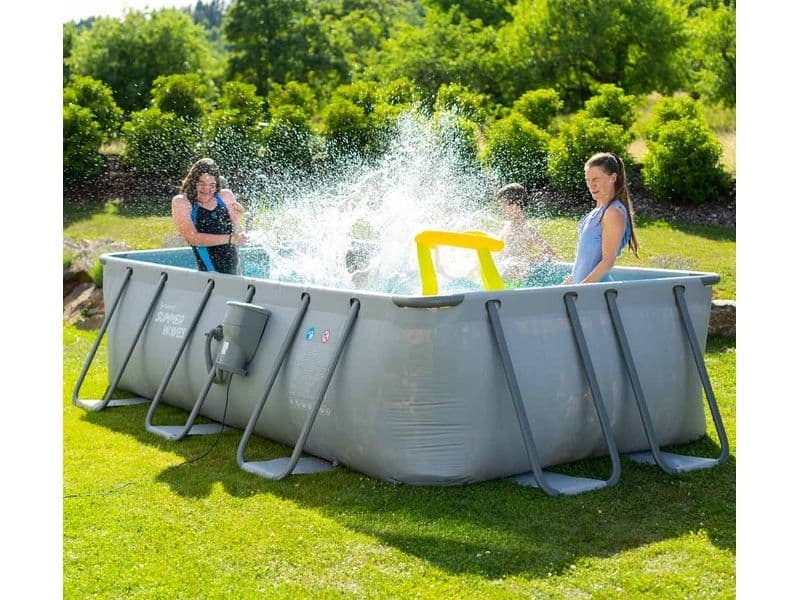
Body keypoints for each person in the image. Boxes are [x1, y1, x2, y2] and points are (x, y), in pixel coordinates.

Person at [563, 152, 639, 284]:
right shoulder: (594, 214)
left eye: (596, 179)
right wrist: (559, 290)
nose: (591, 185)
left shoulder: (613, 213)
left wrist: (579, 290)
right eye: (588, 180)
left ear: (612, 178)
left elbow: (607, 262)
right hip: (584, 291)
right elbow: (580, 268)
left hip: (595, 293)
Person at [172, 158, 248, 275]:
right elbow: (193, 239)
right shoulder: (182, 202)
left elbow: (238, 235)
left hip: (237, 274)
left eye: (212, 185)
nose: (207, 189)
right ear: (192, 182)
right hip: (209, 276)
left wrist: (237, 219)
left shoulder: (225, 196)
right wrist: (231, 239)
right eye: (201, 183)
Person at [495, 183, 557, 286]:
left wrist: (526, 262)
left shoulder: (526, 229)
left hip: (515, 279)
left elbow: (550, 254)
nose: (501, 209)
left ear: (516, 206)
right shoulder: (506, 227)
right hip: (503, 274)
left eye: (504, 205)